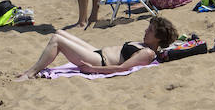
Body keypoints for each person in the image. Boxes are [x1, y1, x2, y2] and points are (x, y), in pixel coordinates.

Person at [14, 16, 178, 80]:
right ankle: (32, 71)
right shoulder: (146, 45)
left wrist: (93, 70)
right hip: (97, 51)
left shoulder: (148, 53)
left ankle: (30, 73)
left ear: (158, 38)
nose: (145, 31)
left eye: (150, 31)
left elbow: (122, 68)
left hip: (99, 61)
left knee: (57, 40)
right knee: (59, 32)